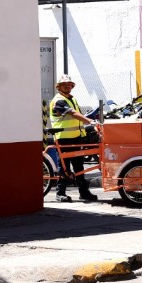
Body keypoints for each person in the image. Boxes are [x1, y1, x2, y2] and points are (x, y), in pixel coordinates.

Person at [49, 74, 99, 202]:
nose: (67, 86)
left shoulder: (72, 99)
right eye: (64, 84)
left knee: (79, 166)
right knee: (64, 167)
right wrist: (90, 121)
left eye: (69, 84)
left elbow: (78, 115)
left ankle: (84, 192)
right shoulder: (59, 100)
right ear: (58, 87)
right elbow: (73, 113)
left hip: (76, 137)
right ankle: (60, 193)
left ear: (72, 86)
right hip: (63, 138)